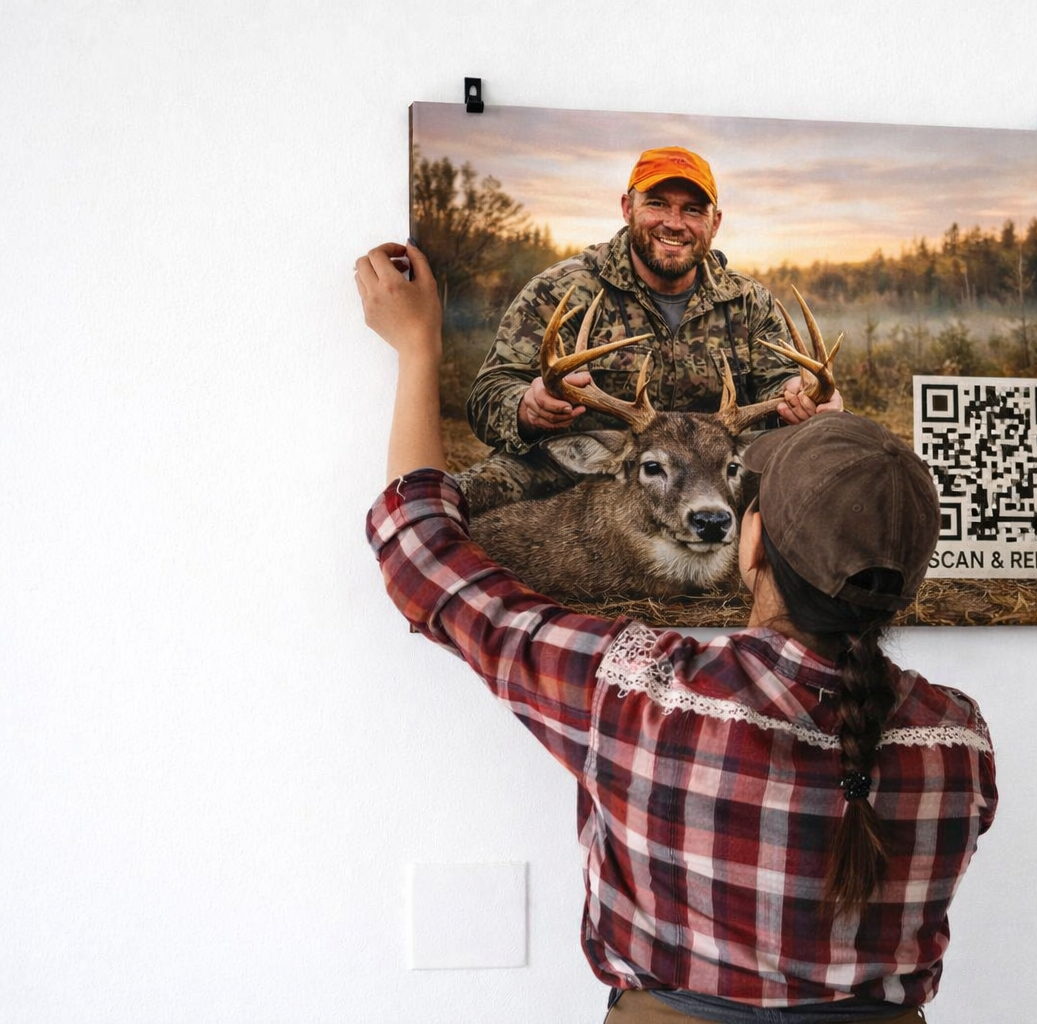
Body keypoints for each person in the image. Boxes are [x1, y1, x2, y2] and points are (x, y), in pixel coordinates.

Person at [356, 242, 995, 1023]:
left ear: (750, 544)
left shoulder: (644, 697)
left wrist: (417, 349)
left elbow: (422, 556)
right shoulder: (958, 741)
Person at [459, 145, 842, 513]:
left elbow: (782, 386)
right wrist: (526, 407)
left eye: (693, 209)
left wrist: (808, 401)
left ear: (715, 223)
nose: (674, 223)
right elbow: (489, 393)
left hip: (713, 475)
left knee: (832, 487)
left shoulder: (748, 302)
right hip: (585, 468)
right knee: (459, 498)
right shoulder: (562, 290)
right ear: (628, 208)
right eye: (657, 203)